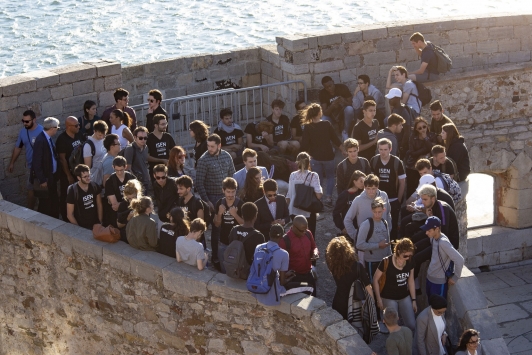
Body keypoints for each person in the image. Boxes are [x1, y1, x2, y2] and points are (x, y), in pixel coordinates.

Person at [196, 134, 236, 268]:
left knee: (230, 225)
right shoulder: (203, 160)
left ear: (219, 146)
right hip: (212, 197)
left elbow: (232, 175)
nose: (209, 148)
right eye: (208, 145)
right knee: (216, 228)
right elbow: (199, 183)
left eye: (212, 146)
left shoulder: (226, 156)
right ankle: (216, 258)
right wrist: (207, 201)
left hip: (227, 195)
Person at [301, 103, 345, 207]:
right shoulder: (326, 124)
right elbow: (335, 139)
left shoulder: (307, 127)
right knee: (330, 177)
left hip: (315, 157)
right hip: (328, 156)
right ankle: (329, 198)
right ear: (319, 112)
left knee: (318, 178)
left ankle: (318, 199)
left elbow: (304, 145)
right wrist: (343, 149)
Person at [372, 238, 417, 333]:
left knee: (412, 325)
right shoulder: (386, 262)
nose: (408, 258)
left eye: (410, 255)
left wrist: (413, 300)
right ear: (398, 251)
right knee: (393, 327)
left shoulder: (410, 261)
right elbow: (375, 279)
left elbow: (411, 281)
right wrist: (379, 299)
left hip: (404, 296)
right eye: (405, 255)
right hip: (388, 297)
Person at [326, 236, 373, 319]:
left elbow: (327, 256)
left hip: (339, 302)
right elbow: (368, 287)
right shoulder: (358, 266)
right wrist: (372, 305)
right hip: (356, 303)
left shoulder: (333, 266)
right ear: (349, 250)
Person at [370, 138, 406, 241]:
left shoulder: (396, 162)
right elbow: (371, 180)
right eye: (381, 149)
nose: (383, 152)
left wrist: (398, 200)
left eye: (385, 149)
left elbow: (402, 182)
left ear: (390, 149)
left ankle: (393, 246)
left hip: (393, 199)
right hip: (378, 199)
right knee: (377, 222)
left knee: (393, 225)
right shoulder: (374, 160)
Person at [8, 109, 44, 209]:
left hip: (42, 167)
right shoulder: (23, 132)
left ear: (34, 120)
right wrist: (12, 163)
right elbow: (18, 147)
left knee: (43, 190)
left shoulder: (41, 131)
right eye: (23, 121)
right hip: (30, 167)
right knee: (30, 189)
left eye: (27, 121)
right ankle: (30, 211)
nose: (25, 123)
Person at [422, 216, 464, 299]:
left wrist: (455, 277)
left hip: (438, 282)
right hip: (429, 278)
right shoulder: (433, 238)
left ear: (437, 229)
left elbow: (460, 259)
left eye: (429, 230)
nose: (426, 233)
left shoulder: (443, 243)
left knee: (439, 309)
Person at [343, 174, 392, 247]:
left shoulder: (384, 195)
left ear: (377, 187)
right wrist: (355, 236)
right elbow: (347, 219)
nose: (371, 191)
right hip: (366, 241)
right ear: (364, 187)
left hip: (382, 238)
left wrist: (388, 230)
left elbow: (388, 213)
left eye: (373, 188)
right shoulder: (358, 200)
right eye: (368, 188)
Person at [251, 224, 293, 306]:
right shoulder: (284, 254)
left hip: (256, 289)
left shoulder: (258, 247)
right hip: (271, 294)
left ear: (269, 234)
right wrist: (289, 278)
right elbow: (282, 282)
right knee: (308, 286)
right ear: (282, 237)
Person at [279, 215, 319, 296]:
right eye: (302, 231)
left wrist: (315, 253)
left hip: (308, 273)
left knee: (313, 298)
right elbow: (280, 262)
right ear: (293, 227)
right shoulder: (285, 240)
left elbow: (314, 247)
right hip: (295, 277)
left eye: (305, 230)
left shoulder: (308, 233)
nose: (304, 232)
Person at [286, 152, 322, 238]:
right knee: (309, 235)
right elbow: (319, 195)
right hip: (308, 210)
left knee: (296, 235)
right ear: (309, 162)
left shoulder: (292, 175)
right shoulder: (313, 175)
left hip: (294, 210)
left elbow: (289, 195)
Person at [356, 198, 392, 280]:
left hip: (384, 260)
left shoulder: (384, 222)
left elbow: (388, 242)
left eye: (379, 212)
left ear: (384, 210)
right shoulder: (366, 225)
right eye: (375, 212)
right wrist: (378, 245)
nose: (377, 214)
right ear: (371, 210)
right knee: (373, 286)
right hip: (372, 262)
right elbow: (359, 245)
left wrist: (390, 258)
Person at [31, 117, 61, 218]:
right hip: (45, 179)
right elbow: (36, 162)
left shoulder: (47, 138)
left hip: (51, 176)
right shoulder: (41, 140)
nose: (57, 130)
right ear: (52, 128)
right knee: (45, 204)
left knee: (53, 201)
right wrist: (42, 179)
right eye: (57, 128)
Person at [213, 177, 244, 273]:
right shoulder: (219, 203)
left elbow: (244, 224)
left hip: (237, 241)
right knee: (223, 267)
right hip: (223, 240)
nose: (230, 195)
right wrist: (219, 213)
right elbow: (216, 224)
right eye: (228, 192)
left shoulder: (240, 204)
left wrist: (235, 214)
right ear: (223, 190)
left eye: (233, 192)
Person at [55, 116, 82, 221]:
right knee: (66, 195)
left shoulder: (79, 134)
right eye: (76, 125)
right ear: (68, 127)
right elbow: (62, 159)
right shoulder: (62, 139)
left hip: (79, 171)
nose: (78, 127)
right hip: (68, 173)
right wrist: (68, 175)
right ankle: (66, 217)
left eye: (78, 124)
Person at [405, 117, 437, 197]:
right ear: (416, 129)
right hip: (413, 165)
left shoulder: (432, 136)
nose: (422, 129)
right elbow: (412, 153)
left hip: (426, 165)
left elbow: (432, 149)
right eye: (419, 128)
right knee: (412, 186)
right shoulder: (413, 137)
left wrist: (426, 138)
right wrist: (425, 149)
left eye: (424, 126)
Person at [227, 202, 265, 266]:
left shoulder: (234, 230)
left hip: (233, 266)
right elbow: (260, 257)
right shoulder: (259, 236)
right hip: (248, 271)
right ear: (255, 216)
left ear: (242, 215)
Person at [66, 164, 103, 229]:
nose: (88, 178)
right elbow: (69, 215)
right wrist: (79, 229)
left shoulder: (94, 186)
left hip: (95, 224)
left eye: (89, 175)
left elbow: (99, 205)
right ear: (79, 178)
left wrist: (100, 222)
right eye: (85, 177)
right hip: (81, 225)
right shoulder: (73, 191)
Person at [319, 76, 355, 140]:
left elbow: (351, 104)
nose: (329, 88)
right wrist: (332, 106)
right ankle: (329, 139)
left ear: (333, 82)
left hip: (343, 112)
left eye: (330, 85)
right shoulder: (322, 93)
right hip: (332, 115)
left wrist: (344, 101)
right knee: (323, 119)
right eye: (326, 87)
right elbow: (325, 112)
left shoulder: (342, 88)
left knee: (349, 109)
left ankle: (345, 132)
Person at [104, 156, 136, 228]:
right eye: (116, 170)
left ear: (126, 167)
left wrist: (122, 204)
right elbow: (115, 206)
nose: (119, 172)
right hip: (117, 215)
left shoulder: (131, 177)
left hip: (131, 212)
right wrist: (129, 202)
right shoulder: (110, 181)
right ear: (113, 167)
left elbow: (137, 197)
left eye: (121, 170)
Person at [333, 170, 366, 236]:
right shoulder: (345, 195)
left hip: (362, 227)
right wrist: (342, 227)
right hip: (350, 228)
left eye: (364, 181)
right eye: (361, 181)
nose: (363, 184)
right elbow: (336, 213)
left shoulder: (364, 194)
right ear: (354, 181)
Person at [386, 88, 413, 158]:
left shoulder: (403, 111)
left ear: (397, 99)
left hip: (402, 145)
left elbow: (407, 131)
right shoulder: (394, 109)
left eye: (391, 98)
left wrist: (401, 146)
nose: (389, 100)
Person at [152, 164, 179, 230]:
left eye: (163, 177)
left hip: (173, 217)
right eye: (158, 178)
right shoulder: (155, 185)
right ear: (154, 176)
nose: (161, 180)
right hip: (161, 217)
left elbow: (180, 198)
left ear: (166, 175)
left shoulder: (173, 183)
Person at [124, 126, 150, 191]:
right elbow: (128, 168)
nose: (143, 140)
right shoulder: (130, 149)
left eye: (145, 138)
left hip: (145, 181)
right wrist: (135, 182)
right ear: (135, 137)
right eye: (140, 138)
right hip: (136, 183)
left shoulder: (146, 147)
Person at [83, 120, 108, 187]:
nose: (102, 137)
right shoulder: (88, 145)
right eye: (100, 135)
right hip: (94, 177)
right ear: (94, 131)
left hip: (105, 173)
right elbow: (87, 166)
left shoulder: (104, 140)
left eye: (103, 134)